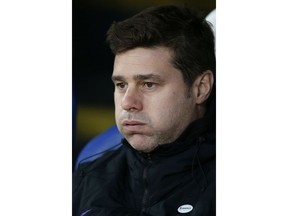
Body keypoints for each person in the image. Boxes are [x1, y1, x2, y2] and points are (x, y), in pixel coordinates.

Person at [73, 4, 216, 216]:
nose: (128, 102)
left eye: (148, 84)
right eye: (121, 85)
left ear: (200, 88)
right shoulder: (88, 178)